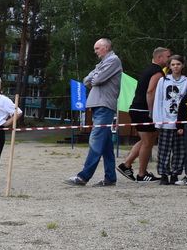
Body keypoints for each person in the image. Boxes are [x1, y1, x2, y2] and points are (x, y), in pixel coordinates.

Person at [65, 38, 122, 187]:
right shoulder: (102, 64)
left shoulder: (113, 60)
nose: (95, 52)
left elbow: (96, 80)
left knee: (96, 140)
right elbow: (86, 81)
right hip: (98, 105)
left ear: (106, 48)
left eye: (97, 48)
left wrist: (96, 74)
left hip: (104, 105)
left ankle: (83, 177)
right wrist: (97, 73)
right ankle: (110, 178)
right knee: (106, 144)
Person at [118, 46, 170, 182]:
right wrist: (152, 111)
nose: (169, 59)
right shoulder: (157, 72)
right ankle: (142, 174)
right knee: (148, 142)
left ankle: (126, 164)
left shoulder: (148, 69)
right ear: (159, 57)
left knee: (147, 140)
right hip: (143, 110)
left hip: (137, 108)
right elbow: (150, 91)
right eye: (168, 57)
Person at [151, 55, 187, 185]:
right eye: (173, 65)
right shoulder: (163, 81)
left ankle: (175, 173)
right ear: (169, 66)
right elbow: (159, 100)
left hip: (180, 122)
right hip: (166, 121)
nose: (175, 67)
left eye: (178, 64)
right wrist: (158, 120)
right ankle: (163, 174)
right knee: (163, 150)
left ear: (182, 65)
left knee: (179, 150)